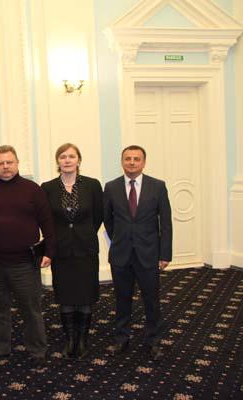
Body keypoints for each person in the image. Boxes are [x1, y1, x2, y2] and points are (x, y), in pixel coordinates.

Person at [0, 145, 56, 368]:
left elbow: (48, 223)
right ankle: (0, 349)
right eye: (1, 163)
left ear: (17, 163)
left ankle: (38, 351)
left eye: (9, 162)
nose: (5, 166)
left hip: (24, 264)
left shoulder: (33, 190)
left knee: (31, 310)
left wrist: (49, 252)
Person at [103, 145, 172, 361]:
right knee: (122, 299)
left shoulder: (158, 186)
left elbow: (166, 223)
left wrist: (165, 254)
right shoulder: (111, 187)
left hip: (148, 253)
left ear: (143, 162)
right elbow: (108, 220)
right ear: (122, 161)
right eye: (127, 158)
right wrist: (120, 239)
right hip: (121, 254)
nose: (132, 162)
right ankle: (121, 339)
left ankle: (153, 341)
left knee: (151, 300)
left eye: (136, 159)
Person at [41, 143, 103, 360]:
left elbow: (98, 215)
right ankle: (69, 341)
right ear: (57, 161)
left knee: (85, 297)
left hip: (86, 250)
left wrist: (83, 233)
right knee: (66, 296)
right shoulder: (47, 187)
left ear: (79, 160)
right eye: (62, 156)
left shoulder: (92, 185)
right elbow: (46, 220)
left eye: (71, 156)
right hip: (61, 251)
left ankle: (83, 341)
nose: (67, 160)